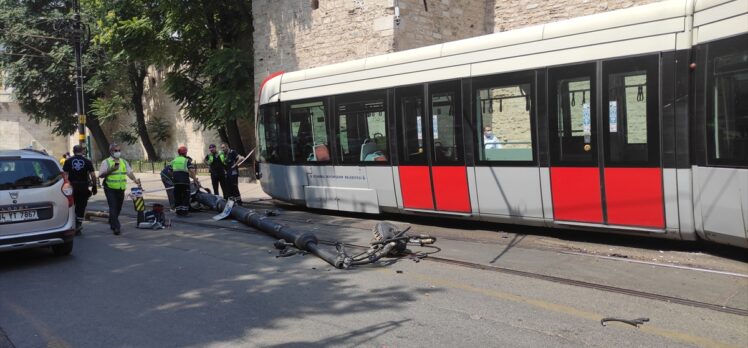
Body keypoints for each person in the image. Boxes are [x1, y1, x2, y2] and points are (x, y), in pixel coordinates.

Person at [99, 144, 141, 235]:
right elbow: (101, 175)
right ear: (111, 152)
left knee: (118, 207)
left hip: (121, 188)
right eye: (115, 151)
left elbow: (129, 173)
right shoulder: (106, 162)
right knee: (113, 207)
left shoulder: (123, 162)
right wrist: (111, 169)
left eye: (119, 150)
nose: (118, 152)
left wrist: (135, 180)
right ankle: (116, 227)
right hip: (110, 188)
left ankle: (112, 220)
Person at [62, 145, 98, 235]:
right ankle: (78, 224)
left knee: (71, 206)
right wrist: (94, 186)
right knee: (81, 206)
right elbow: (93, 175)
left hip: (71, 187)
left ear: (73, 151)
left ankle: (71, 224)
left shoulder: (68, 161)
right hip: (83, 187)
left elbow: (65, 175)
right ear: (82, 151)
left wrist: (64, 187)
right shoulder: (87, 161)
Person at [170, 146, 199, 216]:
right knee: (186, 196)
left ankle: (178, 212)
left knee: (178, 196)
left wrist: (174, 177)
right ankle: (184, 212)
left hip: (176, 182)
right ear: (185, 152)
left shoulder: (174, 160)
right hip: (185, 182)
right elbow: (192, 170)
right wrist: (195, 180)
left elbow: (170, 171)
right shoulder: (186, 160)